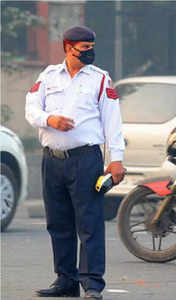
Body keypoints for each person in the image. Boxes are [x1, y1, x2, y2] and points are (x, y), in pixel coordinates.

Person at [25, 25, 125, 300]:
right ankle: (65, 280)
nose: (90, 52)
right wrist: (49, 119)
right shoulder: (47, 77)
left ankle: (92, 285)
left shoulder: (100, 79)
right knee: (58, 223)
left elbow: (112, 121)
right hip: (53, 161)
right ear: (68, 48)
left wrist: (116, 160)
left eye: (92, 47)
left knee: (89, 223)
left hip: (85, 160)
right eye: (85, 48)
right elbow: (31, 109)